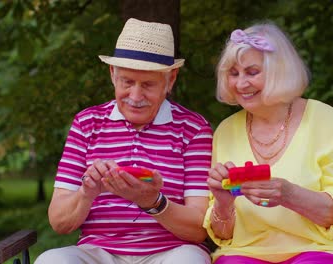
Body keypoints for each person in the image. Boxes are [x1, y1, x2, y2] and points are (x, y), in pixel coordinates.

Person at [35, 18, 213, 264]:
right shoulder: (86, 123)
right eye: (127, 82)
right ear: (112, 74)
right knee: (51, 261)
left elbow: (199, 229)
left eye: (148, 84)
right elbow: (59, 222)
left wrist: (152, 202)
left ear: (170, 80)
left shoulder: (194, 129)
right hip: (99, 253)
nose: (135, 96)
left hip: (170, 253)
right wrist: (88, 192)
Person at [203, 21, 333, 264]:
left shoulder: (325, 119)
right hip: (247, 253)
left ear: (279, 71)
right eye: (233, 73)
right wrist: (223, 203)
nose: (240, 84)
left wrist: (289, 194)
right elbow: (222, 236)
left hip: (322, 250)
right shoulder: (226, 131)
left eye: (252, 72)